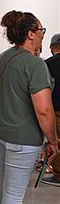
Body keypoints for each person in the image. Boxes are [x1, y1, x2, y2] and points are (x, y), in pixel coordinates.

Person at [0, 10, 58, 204]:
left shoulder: (0, 59)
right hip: (23, 139)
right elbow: (44, 110)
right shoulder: (34, 64)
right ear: (30, 34)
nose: (42, 35)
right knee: (14, 192)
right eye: (41, 31)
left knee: (3, 186)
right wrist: (52, 141)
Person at [42, 33, 60, 186]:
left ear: (52, 47)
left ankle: (58, 174)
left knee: (57, 141)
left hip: (56, 107)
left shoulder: (47, 64)